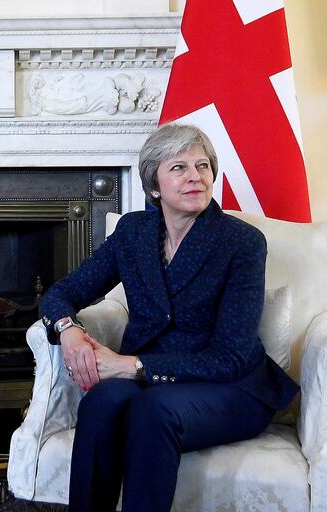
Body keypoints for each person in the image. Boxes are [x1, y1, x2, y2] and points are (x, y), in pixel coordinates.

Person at [39, 124, 299, 512]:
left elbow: (231, 357)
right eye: (179, 167)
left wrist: (132, 365)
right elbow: (62, 293)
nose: (196, 175)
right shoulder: (133, 232)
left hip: (232, 386)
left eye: (203, 166)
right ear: (154, 187)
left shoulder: (241, 243)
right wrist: (69, 330)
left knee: (153, 410)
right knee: (101, 402)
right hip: (152, 383)